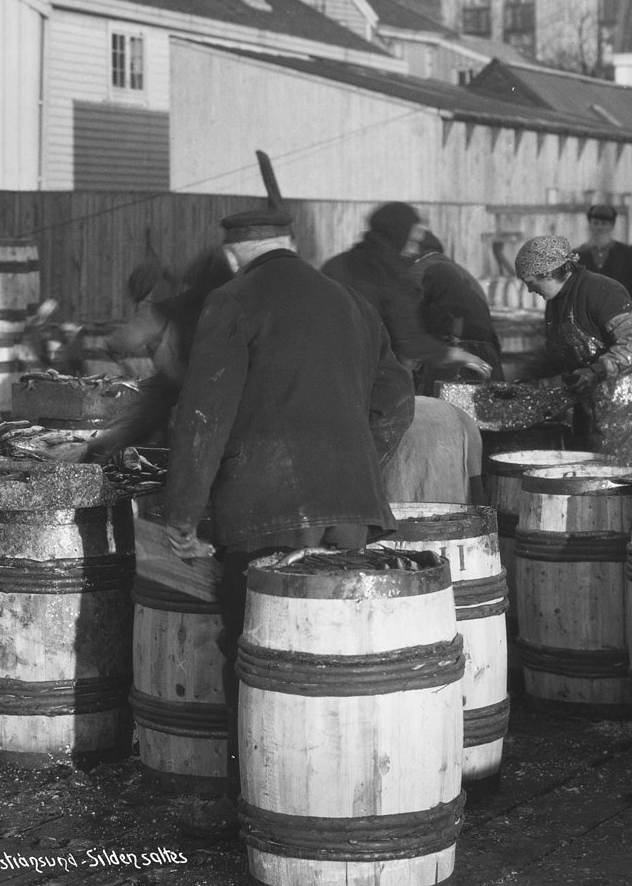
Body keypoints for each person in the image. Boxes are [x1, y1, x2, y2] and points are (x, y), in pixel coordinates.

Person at [163, 205, 416, 836]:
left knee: (258, 654)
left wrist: (183, 514)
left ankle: (253, 798)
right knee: (338, 655)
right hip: (352, 508)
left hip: (265, 511)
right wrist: (360, 466)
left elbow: (204, 414)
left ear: (232, 253)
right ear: (290, 243)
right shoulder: (351, 300)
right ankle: (338, 798)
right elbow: (396, 399)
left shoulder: (232, 300)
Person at [515, 235, 632, 471]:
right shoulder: (556, 303)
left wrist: (596, 370)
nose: (530, 289)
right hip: (594, 407)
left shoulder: (600, 291)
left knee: (626, 483)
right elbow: (558, 353)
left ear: (548, 273)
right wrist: (528, 375)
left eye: (530, 282)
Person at [322, 201, 491, 384]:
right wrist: (459, 355)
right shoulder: (393, 278)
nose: (414, 250)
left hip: (326, 371)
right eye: (411, 241)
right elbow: (409, 341)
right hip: (370, 379)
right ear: (396, 235)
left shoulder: (334, 265)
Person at [410, 229, 503, 383]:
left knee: (438, 407)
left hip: (453, 360)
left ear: (416, 249)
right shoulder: (459, 271)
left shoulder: (421, 270)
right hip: (485, 358)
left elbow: (404, 324)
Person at [574, 204, 632, 308]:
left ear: (612, 226)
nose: (599, 227)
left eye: (604, 224)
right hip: (588, 318)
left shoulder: (627, 254)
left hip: (620, 315)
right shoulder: (578, 255)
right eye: (595, 223)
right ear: (589, 225)